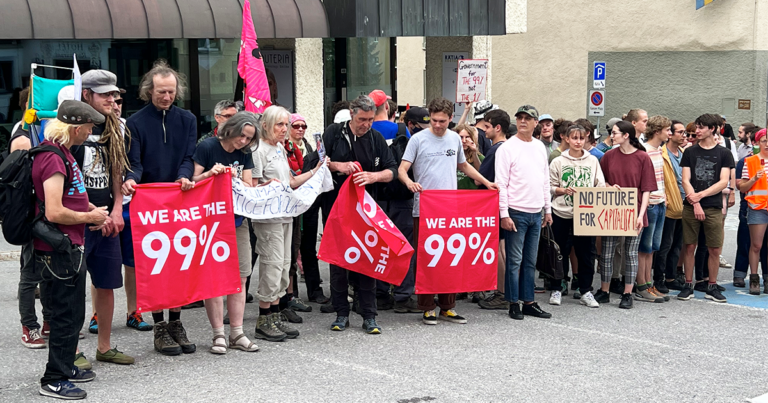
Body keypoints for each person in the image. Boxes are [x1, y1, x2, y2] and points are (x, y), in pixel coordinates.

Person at [35, 101, 110, 399]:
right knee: (66, 314)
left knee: (73, 312)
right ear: (77, 128)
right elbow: (54, 211)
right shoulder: (52, 158)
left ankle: (64, 366)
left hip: (66, 247)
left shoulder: (61, 153)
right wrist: (89, 217)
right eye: (90, 128)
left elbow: (73, 195)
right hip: (59, 250)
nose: (91, 133)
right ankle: (53, 379)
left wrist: (90, 208)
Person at [399, 97, 496, 325]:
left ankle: (447, 307)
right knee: (427, 259)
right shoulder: (418, 139)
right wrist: (409, 183)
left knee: (450, 258)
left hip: (449, 209)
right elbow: (402, 169)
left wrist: (486, 182)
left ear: (451, 118)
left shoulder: (454, 138)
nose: (438, 125)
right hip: (424, 208)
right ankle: (427, 307)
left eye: (442, 121)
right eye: (434, 120)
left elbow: (463, 165)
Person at [123, 60, 198, 355]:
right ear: (148, 91)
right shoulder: (136, 122)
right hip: (149, 202)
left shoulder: (188, 119)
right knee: (155, 266)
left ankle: (176, 322)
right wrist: (131, 180)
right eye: (160, 93)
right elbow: (135, 162)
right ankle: (158, 327)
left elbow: (189, 156)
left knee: (179, 264)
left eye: (170, 92)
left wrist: (183, 175)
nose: (166, 97)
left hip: (179, 199)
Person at [71, 70, 134, 365]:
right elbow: (64, 178)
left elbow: (117, 172)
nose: (113, 99)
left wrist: (118, 208)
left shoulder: (116, 128)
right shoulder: (70, 127)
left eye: (114, 94)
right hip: (76, 221)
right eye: (105, 94)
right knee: (70, 288)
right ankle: (71, 350)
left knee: (107, 284)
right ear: (87, 95)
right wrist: (89, 214)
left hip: (107, 219)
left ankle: (105, 347)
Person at [322, 95, 398, 333]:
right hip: (337, 208)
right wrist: (338, 166)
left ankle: (369, 314)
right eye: (362, 119)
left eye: (371, 119)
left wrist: (373, 176)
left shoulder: (376, 137)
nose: (366, 124)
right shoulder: (334, 132)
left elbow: (392, 170)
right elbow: (318, 162)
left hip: (367, 210)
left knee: (367, 259)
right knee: (338, 261)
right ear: (351, 113)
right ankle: (341, 313)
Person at [193, 111, 260, 353]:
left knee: (240, 277)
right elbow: (192, 180)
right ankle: (218, 334)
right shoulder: (208, 146)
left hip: (237, 221)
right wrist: (212, 174)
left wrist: (237, 180)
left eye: (249, 138)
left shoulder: (245, 154)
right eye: (242, 135)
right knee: (214, 279)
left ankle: (237, 332)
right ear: (231, 128)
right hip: (210, 222)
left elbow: (249, 185)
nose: (244, 141)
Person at [251, 105, 320, 340]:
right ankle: (264, 319)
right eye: (280, 124)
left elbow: (289, 181)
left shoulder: (280, 148)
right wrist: (266, 186)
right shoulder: (258, 150)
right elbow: (250, 187)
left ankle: (275, 314)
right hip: (267, 217)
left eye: (286, 124)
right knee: (271, 265)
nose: (285, 129)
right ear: (266, 125)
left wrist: (315, 172)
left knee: (284, 265)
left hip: (285, 214)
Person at [494, 105, 553, 319]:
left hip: (536, 211)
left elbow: (544, 179)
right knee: (514, 261)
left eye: (528, 118)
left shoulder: (539, 147)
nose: (523, 121)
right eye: (520, 118)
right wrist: (504, 214)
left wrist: (547, 209)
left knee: (530, 261)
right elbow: (501, 183)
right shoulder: (507, 148)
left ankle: (528, 301)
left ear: (536, 122)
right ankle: (512, 303)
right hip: (516, 211)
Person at [594, 121, 656, 309]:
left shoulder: (643, 157)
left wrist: (641, 215)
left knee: (630, 253)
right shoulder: (608, 156)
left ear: (626, 135)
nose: (612, 136)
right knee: (607, 252)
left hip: (634, 211)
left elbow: (646, 190)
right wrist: (608, 187)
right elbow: (601, 181)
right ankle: (604, 290)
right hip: (612, 210)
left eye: (615, 133)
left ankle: (627, 293)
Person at [678, 114, 734, 303]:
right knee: (689, 246)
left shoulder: (724, 153)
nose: (697, 131)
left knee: (714, 249)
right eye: (696, 127)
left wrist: (700, 197)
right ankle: (688, 284)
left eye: (701, 127)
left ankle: (711, 285)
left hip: (713, 207)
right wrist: (695, 203)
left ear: (712, 129)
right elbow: (685, 179)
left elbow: (723, 181)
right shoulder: (690, 152)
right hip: (691, 206)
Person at [548, 124, 606, 308]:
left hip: (585, 213)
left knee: (586, 253)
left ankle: (586, 290)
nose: (578, 142)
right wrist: (562, 190)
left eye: (581, 138)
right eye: (574, 138)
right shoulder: (558, 161)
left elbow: (600, 185)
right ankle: (557, 287)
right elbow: (548, 186)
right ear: (566, 138)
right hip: (561, 212)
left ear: (586, 139)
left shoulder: (592, 161)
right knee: (560, 252)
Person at [474, 109, 511, 310]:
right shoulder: (511, 147)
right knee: (505, 248)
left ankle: (502, 293)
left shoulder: (496, 150)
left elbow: (479, 179)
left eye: (487, 126)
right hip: (509, 203)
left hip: (494, 205)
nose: (484, 130)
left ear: (497, 128)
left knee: (497, 249)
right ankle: (508, 291)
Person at [635, 116, 672, 303]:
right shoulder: (645, 152)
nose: (670, 133)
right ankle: (641, 285)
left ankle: (648, 283)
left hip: (660, 203)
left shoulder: (658, 151)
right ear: (657, 131)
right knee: (644, 247)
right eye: (667, 130)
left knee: (653, 248)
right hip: (649, 204)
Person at [652, 120, 687, 293]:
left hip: (684, 204)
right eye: (680, 132)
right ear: (671, 134)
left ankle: (671, 277)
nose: (684, 135)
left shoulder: (682, 153)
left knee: (677, 245)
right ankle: (658, 278)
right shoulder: (662, 153)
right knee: (665, 244)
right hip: (669, 204)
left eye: (685, 132)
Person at [738, 128, 768, 295]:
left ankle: (767, 278)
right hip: (757, 207)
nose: (767, 144)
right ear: (757, 142)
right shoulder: (750, 162)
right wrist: (754, 179)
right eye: (764, 140)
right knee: (756, 245)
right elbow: (742, 187)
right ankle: (754, 278)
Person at [456, 124, 483, 189]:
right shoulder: (452, 156)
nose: (464, 141)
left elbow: (480, 178)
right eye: (461, 137)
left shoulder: (480, 157)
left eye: (467, 137)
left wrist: (474, 153)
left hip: (471, 195)